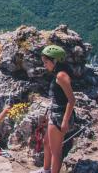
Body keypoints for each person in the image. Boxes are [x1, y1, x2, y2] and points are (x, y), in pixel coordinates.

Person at [34, 45, 76, 173]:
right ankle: (46, 170)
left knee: (56, 151)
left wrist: (65, 121)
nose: (45, 65)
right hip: (55, 113)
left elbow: (72, 100)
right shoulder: (58, 73)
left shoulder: (61, 76)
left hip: (60, 115)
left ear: (55, 61)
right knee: (47, 142)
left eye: (46, 62)